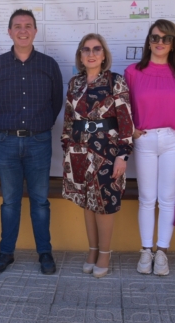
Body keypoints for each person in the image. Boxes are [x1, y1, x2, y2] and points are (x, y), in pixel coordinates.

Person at [0, 9, 63, 274]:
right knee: (10, 201)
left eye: (28, 25)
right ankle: (6, 252)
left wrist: (39, 127)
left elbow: (56, 103)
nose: (23, 30)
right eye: (17, 26)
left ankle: (45, 252)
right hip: (6, 142)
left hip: (39, 142)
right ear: (9, 32)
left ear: (35, 31)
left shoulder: (48, 65)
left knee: (40, 200)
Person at [125, 19, 175, 276]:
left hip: (173, 140)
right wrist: (132, 131)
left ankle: (162, 253)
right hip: (144, 140)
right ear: (148, 41)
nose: (160, 42)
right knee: (147, 198)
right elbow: (126, 109)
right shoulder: (133, 72)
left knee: (167, 199)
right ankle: (146, 251)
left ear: (173, 43)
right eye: (155, 37)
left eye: (166, 38)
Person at [62, 33, 134, 278]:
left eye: (96, 49)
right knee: (87, 202)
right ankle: (92, 250)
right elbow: (69, 120)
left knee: (104, 203)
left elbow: (125, 120)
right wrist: (67, 147)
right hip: (79, 149)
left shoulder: (116, 81)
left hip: (107, 150)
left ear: (104, 55)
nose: (91, 54)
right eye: (86, 50)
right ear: (80, 56)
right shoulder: (74, 83)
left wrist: (123, 155)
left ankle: (105, 252)